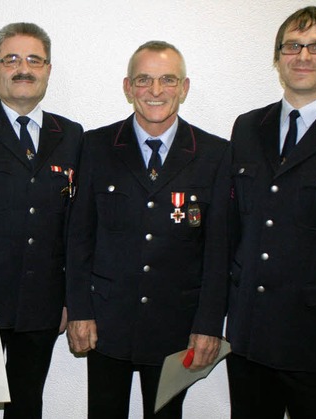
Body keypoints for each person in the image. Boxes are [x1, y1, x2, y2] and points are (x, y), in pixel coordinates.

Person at [66, 40, 230, 418]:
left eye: (168, 80)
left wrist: (208, 324)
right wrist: (79, 310)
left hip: (177, 327)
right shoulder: (95, 146)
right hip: (106, 324)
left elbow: (218, 249)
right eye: (144, 80)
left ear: (184, 88)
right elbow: (79, 238)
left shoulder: (215, 154)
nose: (156, 91)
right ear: (127, 87)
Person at [0, 22, 83, 418]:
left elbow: (75, 227)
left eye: (34, 60)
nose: (23, 68)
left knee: (28, 406)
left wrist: (70, 300)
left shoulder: (72, 135)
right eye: (11, 59)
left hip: (42, 304)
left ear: (47, 69)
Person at [226, 6, 316, 418]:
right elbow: (232, 229)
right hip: (250, 337)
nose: (303, 56)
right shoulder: (248, 127)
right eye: (293, 46)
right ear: (277, 58)